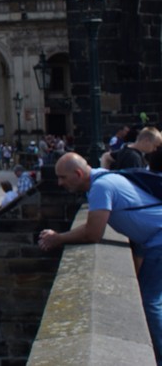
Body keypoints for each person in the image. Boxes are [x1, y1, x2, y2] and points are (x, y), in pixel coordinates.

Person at [38, 152, 162, 363]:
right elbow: (92, 225)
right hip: (153, 239)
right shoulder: (103, 179)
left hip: (158, 240)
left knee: (150, 301)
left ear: (78, 173)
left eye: (63, 177)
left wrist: (59, 238)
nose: (59, 183)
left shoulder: (101, 187)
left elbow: (93, 233)